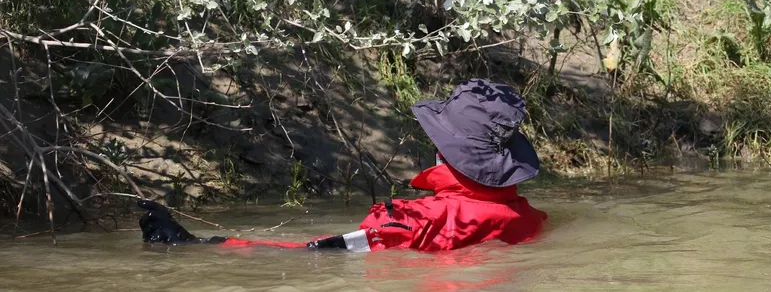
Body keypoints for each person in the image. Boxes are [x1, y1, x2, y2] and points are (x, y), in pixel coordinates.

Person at [137, 78, 548, 252]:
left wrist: (191, 245)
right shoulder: (530, 218)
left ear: (445, 152)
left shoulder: (409, 219)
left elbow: (312, 255)